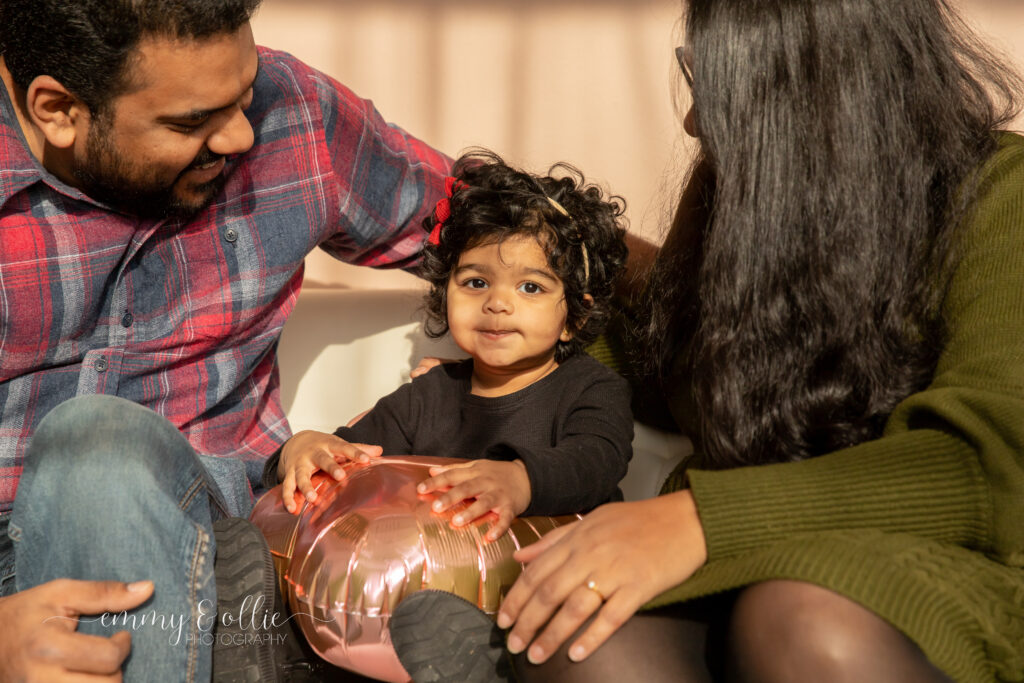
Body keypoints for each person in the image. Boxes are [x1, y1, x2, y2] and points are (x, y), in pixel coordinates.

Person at [389, 1, 1024, 682]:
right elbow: (673, 376)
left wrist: (700, 519)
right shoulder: (747, 194)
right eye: (695, 74)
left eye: (721, 85)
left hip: (930, 571)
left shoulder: (999, 193)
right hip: (738, 563)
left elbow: (983, 466)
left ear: (818, 90)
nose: (693, 121)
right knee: (573, 641)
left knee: (802, 622)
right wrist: (509, 362)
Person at [0, 1, 451, 681]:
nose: (241, 136)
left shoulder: (291, 113)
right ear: (58, 109)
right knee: (97, 448)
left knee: (103, 455)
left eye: (242, 96)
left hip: (229, 550)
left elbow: (508, 230)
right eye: (191, 122)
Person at [264, 150, 633, 545]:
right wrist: (298, 451)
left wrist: (521, 480)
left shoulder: (591, 389)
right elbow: (349, 459)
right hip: (439, 578)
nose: (497, 303)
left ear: (574, 317)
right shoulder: (425, 397)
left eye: (530, 287)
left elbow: (597, 461)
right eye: (476, 282)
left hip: (558, 581)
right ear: (445, 294)